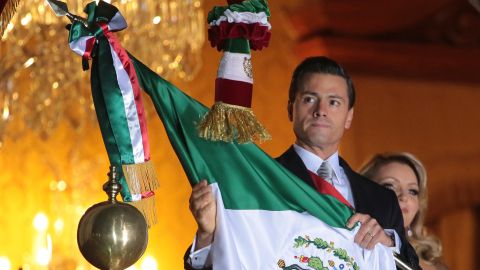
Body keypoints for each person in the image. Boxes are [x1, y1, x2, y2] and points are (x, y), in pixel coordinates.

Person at [185, 56, 421, 269]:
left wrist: (388, 243)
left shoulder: (382, 199)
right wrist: (207, 235)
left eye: (334, 102)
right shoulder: (257, 184)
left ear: (349, 116)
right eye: (310, 99)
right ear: (291, 109)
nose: (321, 110)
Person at [360, 152, 448, 270]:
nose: (404, 197)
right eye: (389, 186)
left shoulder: (435, 265)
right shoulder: (345, 245)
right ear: (364, 193)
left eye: (412, 191)